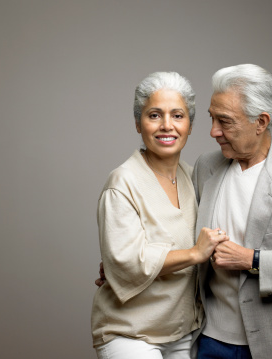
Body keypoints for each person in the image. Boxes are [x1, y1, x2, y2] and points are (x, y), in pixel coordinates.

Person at [97, 64, 272, 359]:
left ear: (261, 121)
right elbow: (179, 232)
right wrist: (124, 266)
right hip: (210, 340)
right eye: (211, 119)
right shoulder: (206, 168)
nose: (213, 131)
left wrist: (250, 260)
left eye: (224, 121)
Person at [91, 71, 229, 359]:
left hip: (183, 331)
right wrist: (193, 254)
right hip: (129, 331)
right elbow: (126, 262)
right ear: (138, 124)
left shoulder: (195, 179)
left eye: (178, 115)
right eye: (154, 115)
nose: (167, 126)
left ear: (190, 124)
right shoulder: (122, 183)